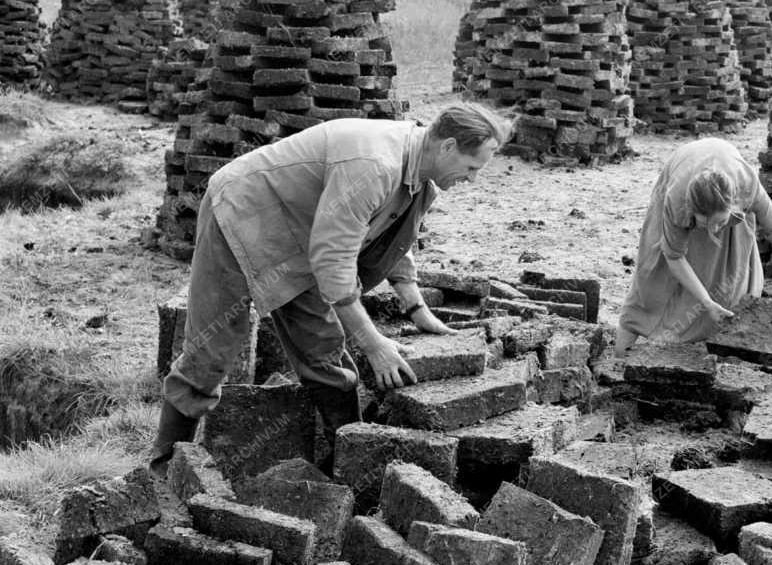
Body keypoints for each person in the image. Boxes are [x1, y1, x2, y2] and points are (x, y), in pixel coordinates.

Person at [151, 102, 512, 475]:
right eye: (472, 168)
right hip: (242, 211)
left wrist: (416, 307)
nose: (472, 180)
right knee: (214, 346)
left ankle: (346, 464)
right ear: (448, 147)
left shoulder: (419, 171)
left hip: (303, 232)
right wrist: (374, 345)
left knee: (324, 349)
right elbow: (333, 266)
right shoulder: (376, 166)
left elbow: (397, 234)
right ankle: (164, 466)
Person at [615, 137, 772, 356]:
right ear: (692, 211)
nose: (713, 231)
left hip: (728, 182)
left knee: (728, 287)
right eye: (705, 224)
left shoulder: (748, 188)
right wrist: (705, 301)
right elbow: (674, 257)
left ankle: (721, 346)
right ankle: (619, 357)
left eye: (719, 223)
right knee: (653, 284)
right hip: (682, 171)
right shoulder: (677, 199)